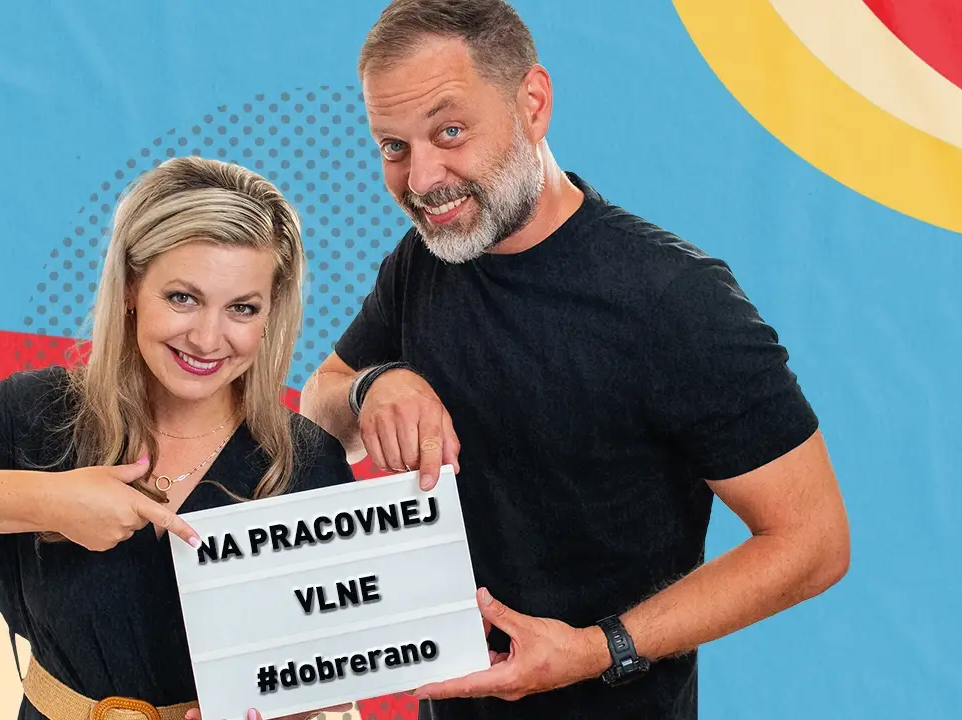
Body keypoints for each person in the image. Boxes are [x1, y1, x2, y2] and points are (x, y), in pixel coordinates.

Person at [298, 1, 852, 718]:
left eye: (450, 131)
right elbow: (322, 408)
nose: (423, 177)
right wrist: (375, 384)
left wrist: (599, 648)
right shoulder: (427, 260)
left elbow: (813, 541)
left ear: (532, 103)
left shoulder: (675, 300)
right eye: (393, 146)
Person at [0, 156, 357, 720]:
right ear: (131, 288)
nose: (206, 338)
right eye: (182, 298)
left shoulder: (308, 464)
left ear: (271, 315)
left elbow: (335, 680)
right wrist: (50, 501)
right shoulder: (38, 414)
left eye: (242, 308)